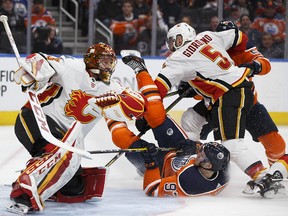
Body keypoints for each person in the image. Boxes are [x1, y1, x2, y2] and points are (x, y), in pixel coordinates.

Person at [121, 22, 270, 189]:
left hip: (229, 94)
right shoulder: (208, 36)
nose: (170, 47)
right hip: (232, 90)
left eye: (171, 42)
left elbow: (158, 89)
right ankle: (188, 158)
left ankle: (262, 176)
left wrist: (146, 113)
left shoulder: (178, 58)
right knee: (190, 119)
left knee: (231, 143)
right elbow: (239, 36)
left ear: (179, 38)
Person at [8, 43, 145, 214]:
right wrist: (33, 73)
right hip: (36, 120)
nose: (107, 66)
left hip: (65, 139)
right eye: (103, 61)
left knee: (75, 189)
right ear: (91, 60)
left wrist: (113, 101)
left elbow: (139, 105)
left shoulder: (112, 87)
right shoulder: (72, 67)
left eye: (110, 62)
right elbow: (42, 59)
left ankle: (40, 173)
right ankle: (23, 192)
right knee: (59, 154)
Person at [107, 50, 231, 197]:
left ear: (208, 165)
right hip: (178, 147)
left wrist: (150, 163)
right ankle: (140, 68)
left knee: (120, 138)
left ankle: (107, 99)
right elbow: (206, 153)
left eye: (201, 154)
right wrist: (194, 146)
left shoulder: (189, 183)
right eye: (202, 150)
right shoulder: (220, 168)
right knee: (154, 111)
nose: (199, 153)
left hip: (159, 166)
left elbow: (152, 190)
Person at [179, 20, 286, 167]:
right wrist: (191, 89)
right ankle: (188, 162)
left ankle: (278, 169)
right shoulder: (205, 51)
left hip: (248, 105)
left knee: (276, 144)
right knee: (190, 125)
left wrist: (255, 66)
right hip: (215, 106)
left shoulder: (244, 48)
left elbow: (265, 64)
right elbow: (205, 88)